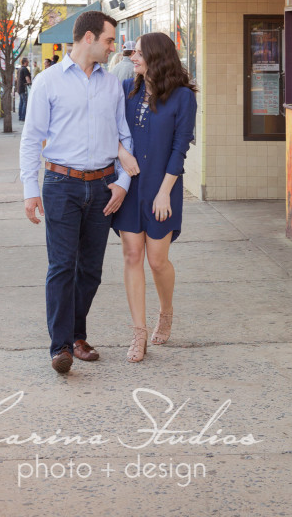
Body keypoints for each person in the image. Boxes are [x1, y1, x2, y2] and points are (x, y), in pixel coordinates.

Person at [20, 11, 139, 374]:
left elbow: (124, 136)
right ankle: (60, 347)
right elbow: (31, 138)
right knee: (61, 267)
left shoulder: (110, 84)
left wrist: (122, 182)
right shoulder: (48, 82)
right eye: (108, 40)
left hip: (102, 187)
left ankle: (76, 334)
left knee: (90, 269)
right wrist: (29, 188)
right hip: (61, 185)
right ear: (88, 38)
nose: (113, 47)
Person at [112, 32, 197, 362]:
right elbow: (112, 130)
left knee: (157, 260)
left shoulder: (182, 97)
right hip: (130, 185)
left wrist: (165, 192)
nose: (133, 57)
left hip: (164, 189)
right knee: (133, 255)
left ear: (157, 57)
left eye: (139, 53)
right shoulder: (127, 90)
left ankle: (166, 311)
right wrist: (122, 153)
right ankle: (139, 332)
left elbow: (180, 149)